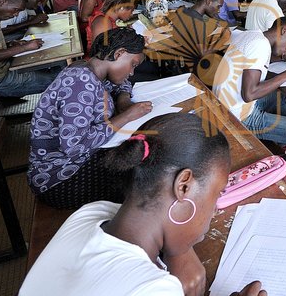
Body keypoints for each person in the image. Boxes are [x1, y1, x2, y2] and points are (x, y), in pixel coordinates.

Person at [21, 113, 267, 296]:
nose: (216, 208)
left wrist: (179, 250)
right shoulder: (153, 288)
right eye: (217, 193)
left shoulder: (90, 213)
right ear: (184, 186)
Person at [28, 28, 152, 209]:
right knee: (145, 172)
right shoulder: (80, 81)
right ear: (119, 53)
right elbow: (73, 146)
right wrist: (126, 116)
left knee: (143, 155)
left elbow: (120, 83)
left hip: (78, 163)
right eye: (132, 64)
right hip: (60, 178)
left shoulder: (91, 70)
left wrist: (124, 100)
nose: (132, 72)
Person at [213, 17, 286, 187]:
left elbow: (255, 63)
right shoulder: (260, 46)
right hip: (240, 118)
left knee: (281, 97)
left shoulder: (253, 36)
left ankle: (285, 144)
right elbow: (249, 94)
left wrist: (284, 58)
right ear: (284, 30)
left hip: (224, 106)